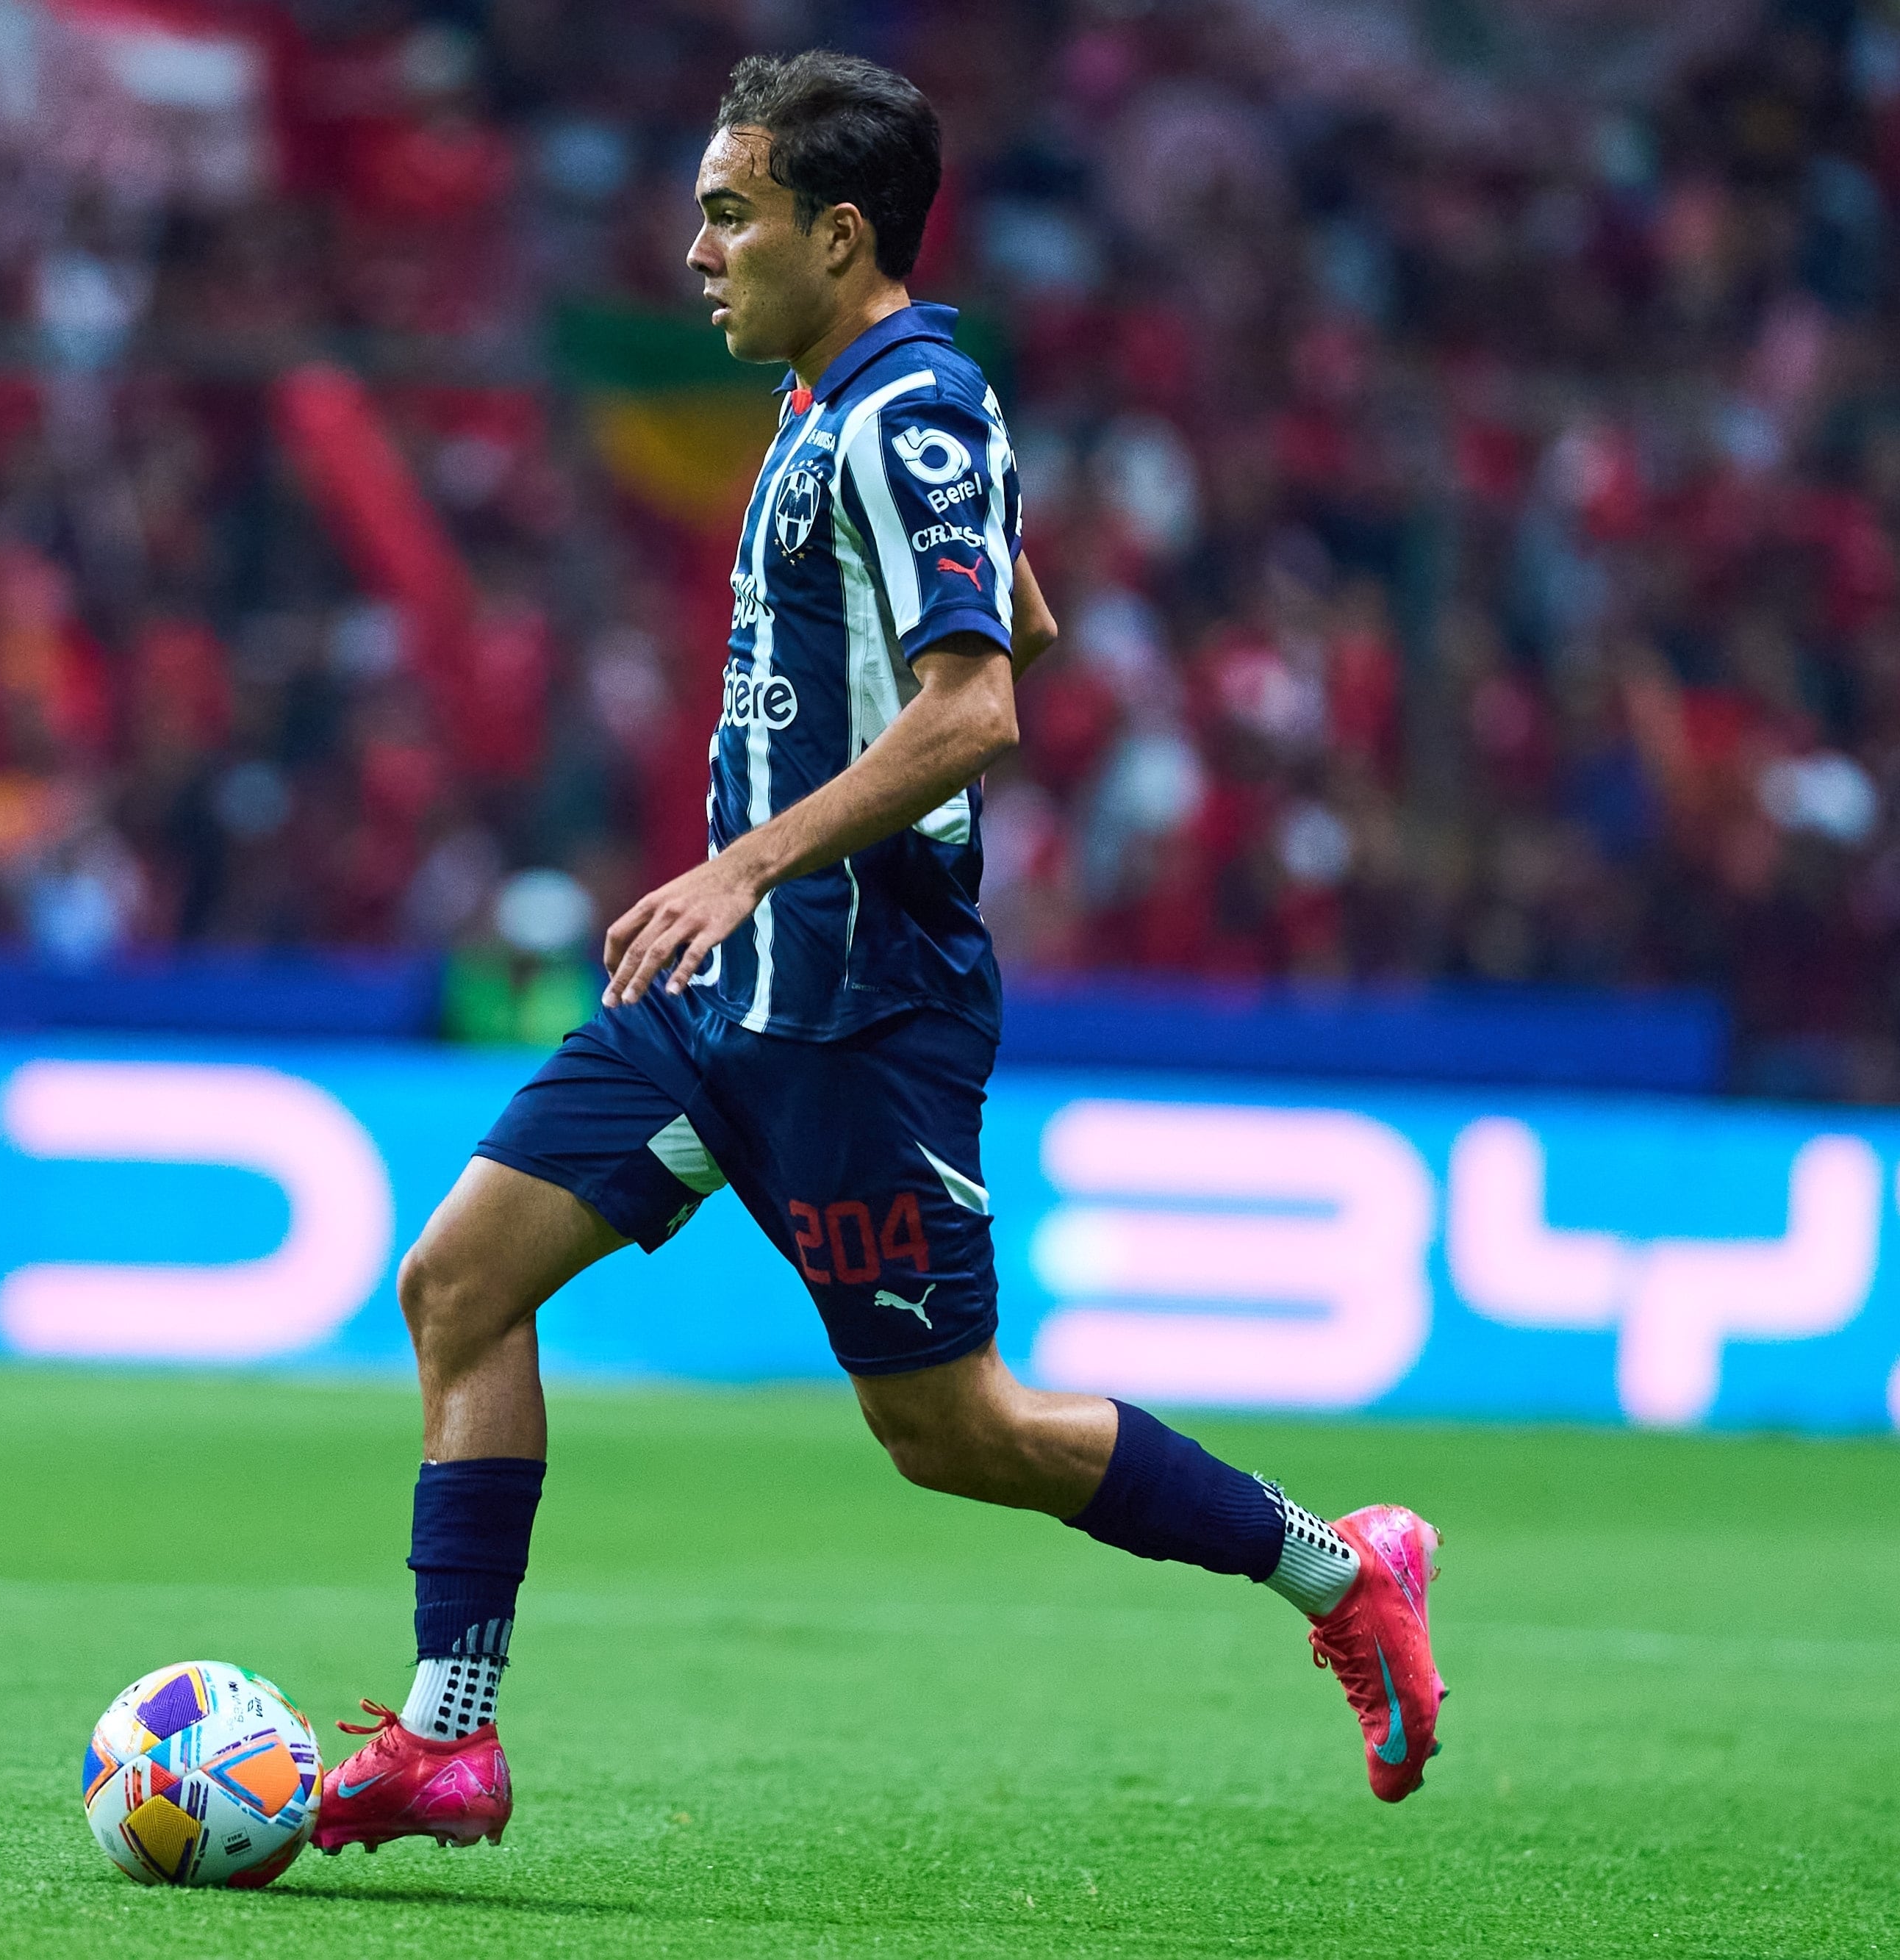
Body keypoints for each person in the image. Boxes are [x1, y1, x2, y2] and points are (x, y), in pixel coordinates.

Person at [314, 50, 1446, 1856]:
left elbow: (982, 700)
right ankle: (452, 1736)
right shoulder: (833, 401)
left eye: (727, 215)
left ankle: (1342, 1566)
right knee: (457, 1284)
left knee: (950, 1428)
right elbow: (1021, 615)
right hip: (721, 998)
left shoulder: (905, 408)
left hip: (854, 997)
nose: (695, 251)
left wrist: (748, 859)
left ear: (838, 236)